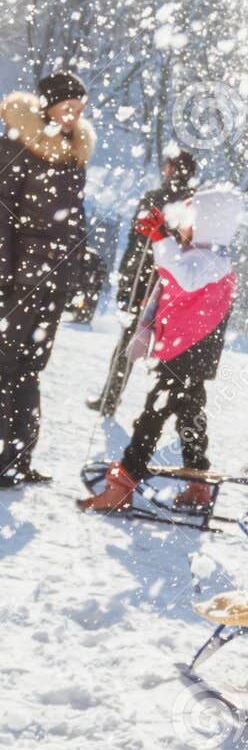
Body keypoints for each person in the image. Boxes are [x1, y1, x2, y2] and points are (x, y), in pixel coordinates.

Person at [80, 187, 242, 514]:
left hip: (188, 351)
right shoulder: (208, 256)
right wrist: (165, 237)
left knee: (153, 414)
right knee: (190, 414)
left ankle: (123, 482)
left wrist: (160, 239)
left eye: (189, 220)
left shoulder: (211, 260)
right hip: (192, 352)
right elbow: (179, 270)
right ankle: (197, 482)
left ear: (207, 223)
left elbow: (180, 276)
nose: (183, 225)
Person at [1, 72, 94, 487]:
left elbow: (75, 225)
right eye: (67, 106)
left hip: (52, 282)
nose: (74, 114)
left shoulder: (74, 159)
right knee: (6, 367)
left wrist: (79, 272)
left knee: (31, 368)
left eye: (80, 107)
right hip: (18, 281)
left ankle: (18, 458)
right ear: (48, 106)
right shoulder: (16, 148)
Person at [88, 150, 198, 415]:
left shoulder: (161, 199)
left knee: (131, 340)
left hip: (149, 282)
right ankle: (155, 412)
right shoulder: (190, 204)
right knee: (163, 349)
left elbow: (137, 242)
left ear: (171, 169)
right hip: (168, 283)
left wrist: (128, 277)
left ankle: (112, 397)